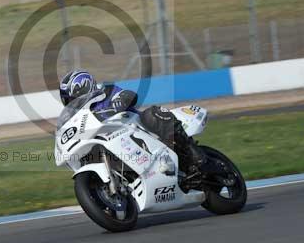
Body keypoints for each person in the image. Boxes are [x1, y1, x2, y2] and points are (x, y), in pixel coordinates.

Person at [59, 70, 206, 171]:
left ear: (84, 86)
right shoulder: (80, 117)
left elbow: (128, 95)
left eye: (72, 96)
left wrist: (121, 100)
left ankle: (191, 150)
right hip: (108, 142)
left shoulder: (106, 91)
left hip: (135, 127)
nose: (71, 101)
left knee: (152, 113)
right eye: (68, 99)